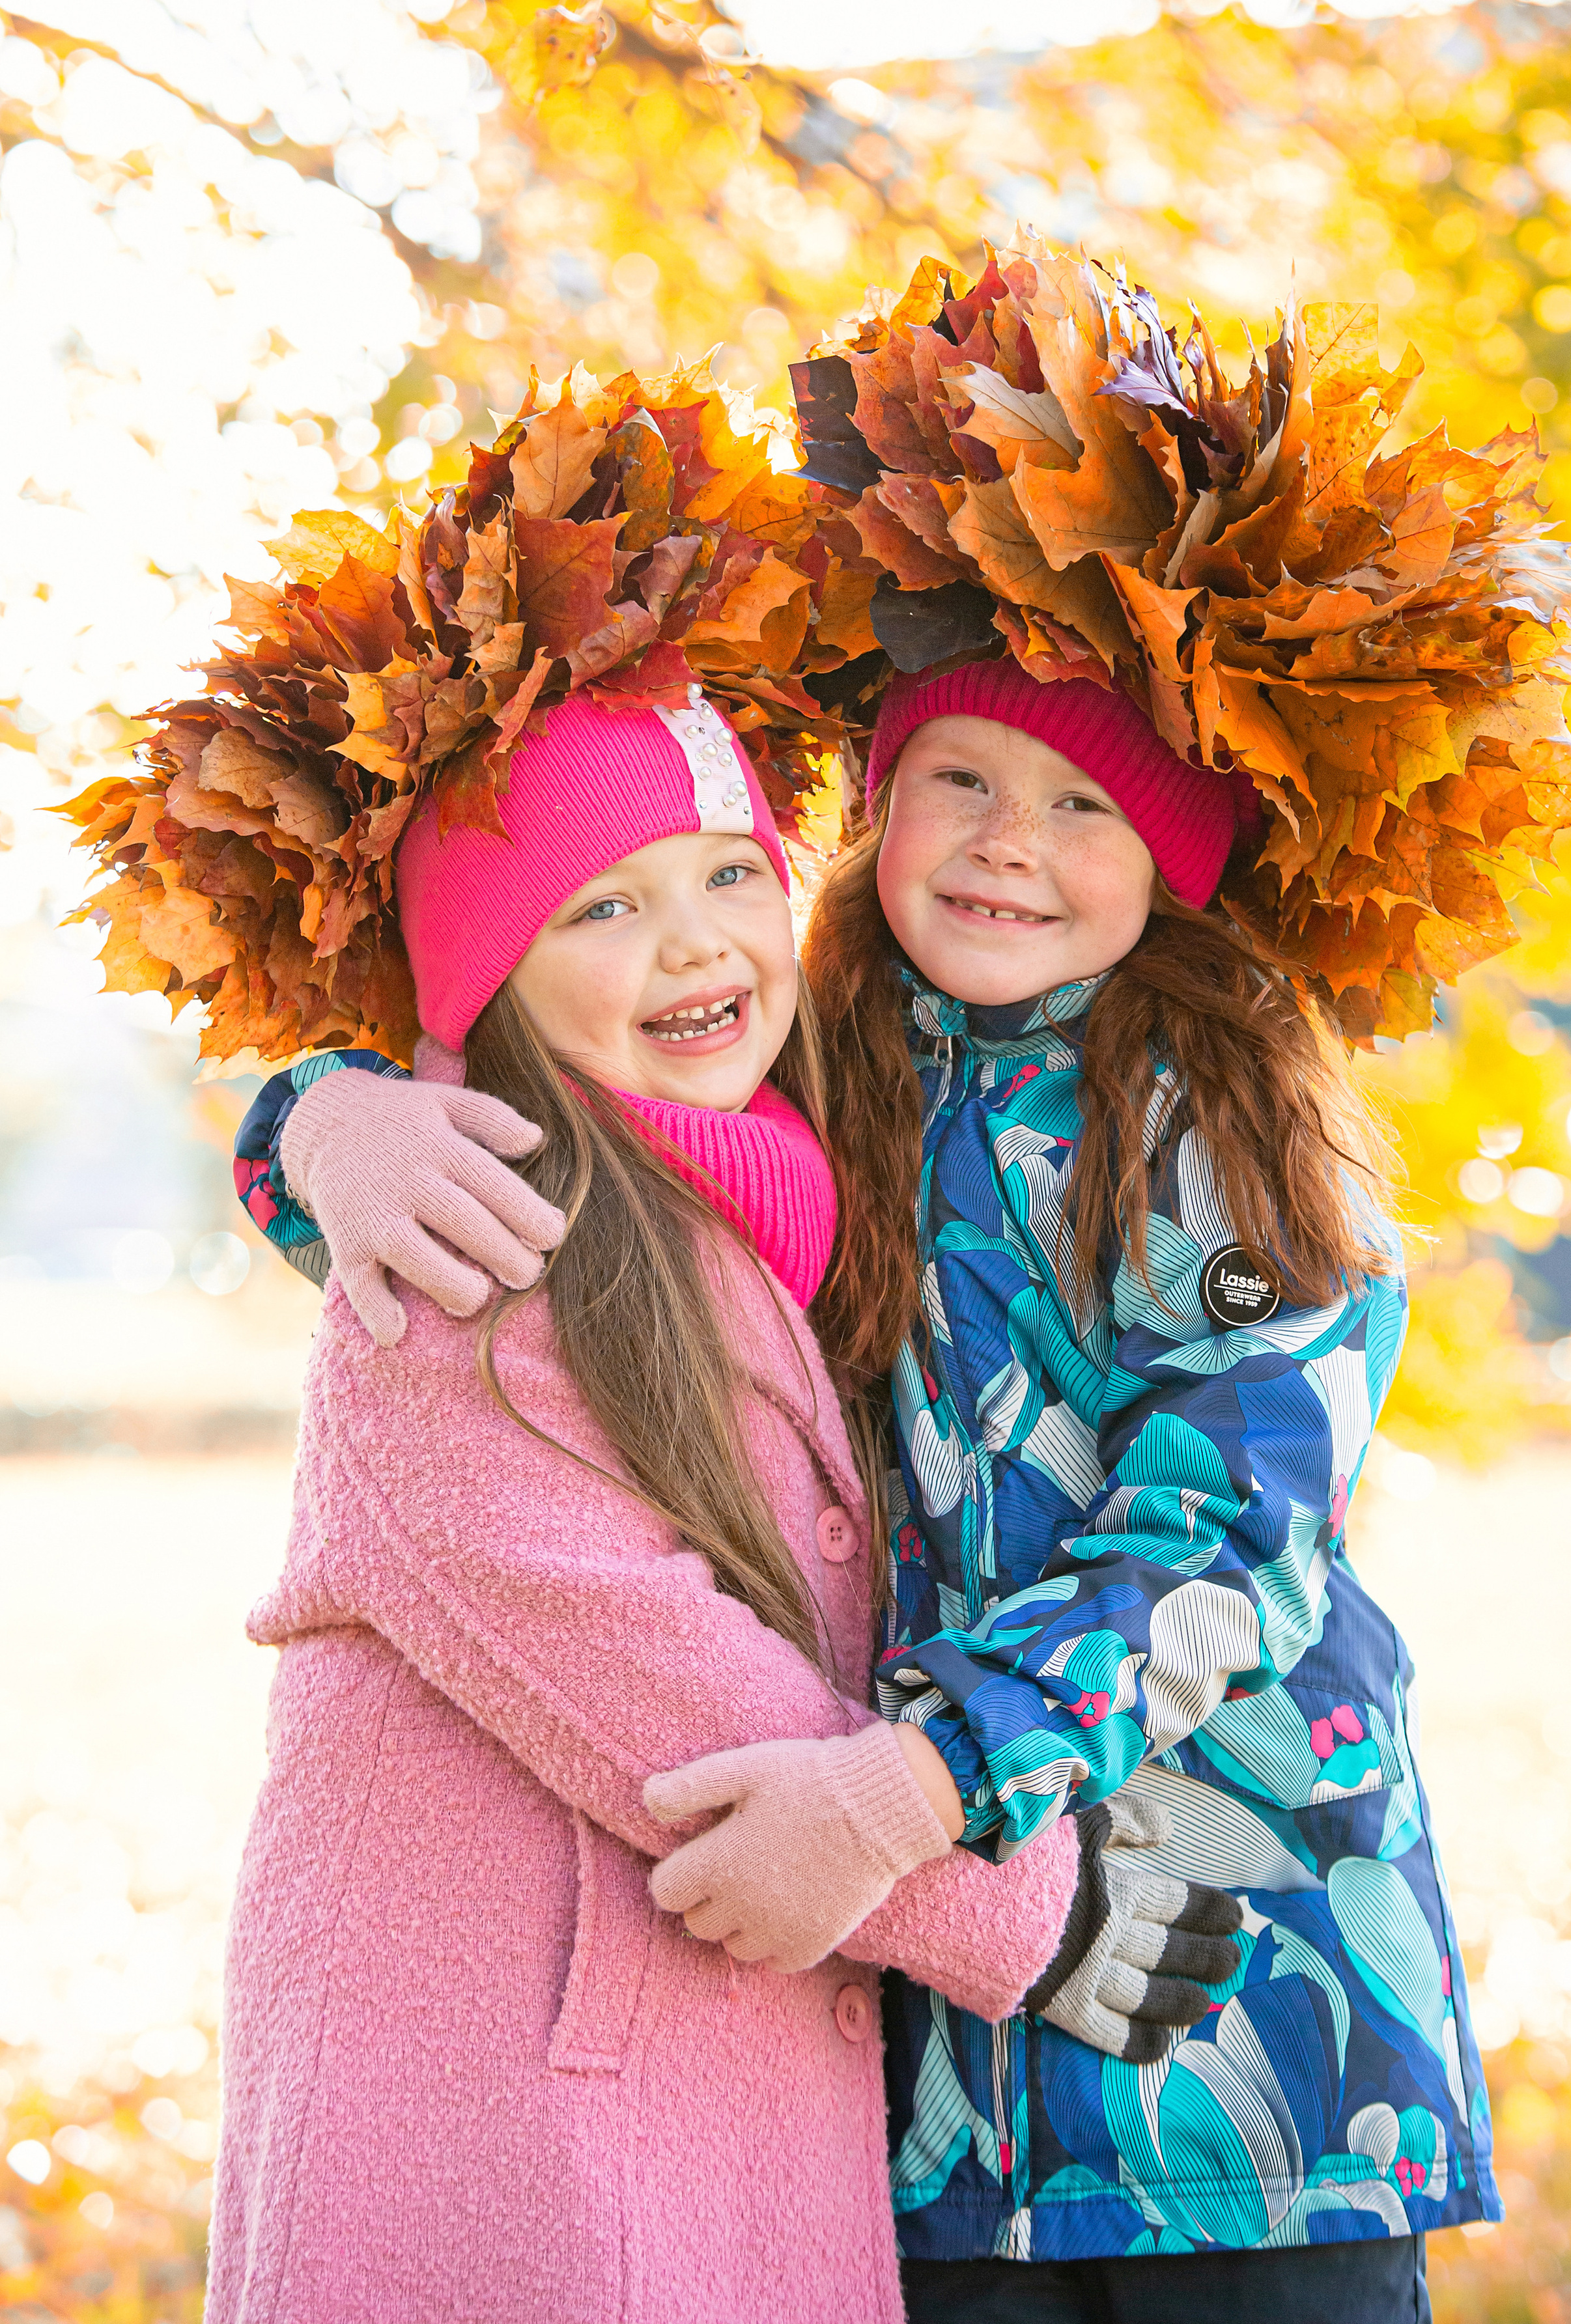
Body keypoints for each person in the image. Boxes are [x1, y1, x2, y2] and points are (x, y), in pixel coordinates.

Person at [205, 683, 1241, 2324]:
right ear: (488, 978)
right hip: (501, 2123)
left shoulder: (774, 1195)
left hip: (697, 2077)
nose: (693, 944)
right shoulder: (469, 1256)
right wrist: (1025, 1920)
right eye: (605, 904)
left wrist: (307, 1111)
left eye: (728, 875)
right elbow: (646, 1672)